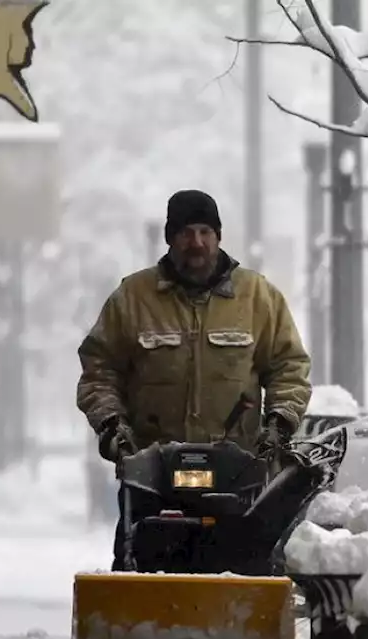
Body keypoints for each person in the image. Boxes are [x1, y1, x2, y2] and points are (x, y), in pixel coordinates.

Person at [76, 189, 312, 567]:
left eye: (205, 231)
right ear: (170, 238)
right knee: (141, 571)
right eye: (186, 233)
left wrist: (279, 424)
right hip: (150, 474)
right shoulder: (132, 299)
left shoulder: (258, 299)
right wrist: (112, 427)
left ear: (219, 236)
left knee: (240, 574)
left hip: (238, 477)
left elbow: (289, 367)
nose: (196, 242)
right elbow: (98, 370)